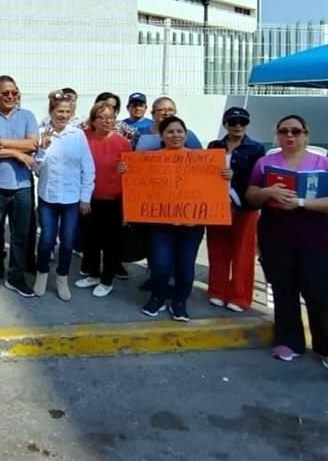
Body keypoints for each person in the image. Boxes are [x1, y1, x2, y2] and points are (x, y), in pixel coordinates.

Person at [126, 116, 229, 322]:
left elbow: (212, 190)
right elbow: (139, 185)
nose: (175, 135)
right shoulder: (149, 160)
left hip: (191, 226)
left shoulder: (202, 160)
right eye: (170, 132)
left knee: (185, 265)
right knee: (161, 264)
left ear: (186, 134)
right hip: (160, 225)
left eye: (179, 131)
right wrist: (126, 171)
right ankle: (157, 297)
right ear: (162, 136)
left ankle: (180, 302)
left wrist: (225, 176)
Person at [246, 115, 328, 367]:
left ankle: (325, 345)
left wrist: (301, 203)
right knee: (284, 291)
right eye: (284, 131)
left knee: (319, 293)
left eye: (296, 131)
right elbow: (250, 197)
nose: (290, 136)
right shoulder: (265, 163)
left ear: (306, 134)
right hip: (276, 237)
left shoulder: (322, 163)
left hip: (316, 239)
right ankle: (289, 341)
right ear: (277, 135)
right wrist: (267, 192)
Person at [0, 75, 38, 300]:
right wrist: (15, 152)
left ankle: (16, 277)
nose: (11, 96)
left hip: (22, 186)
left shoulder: (27, 116)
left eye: (14, 92)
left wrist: (0, 142)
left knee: (20, 236)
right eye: (5, 93)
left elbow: (33, 143)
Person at [33, 92, 95, 301]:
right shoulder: (41, 132)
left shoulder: (77, 135)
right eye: (60, 111)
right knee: (47, 239)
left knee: (67, 241)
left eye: (68, 112)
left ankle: (62, 278)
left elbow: (88, 167)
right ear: (51, 111)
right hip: (47, 196)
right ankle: (41, 274)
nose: (64, 115)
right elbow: (35, 168)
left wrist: (85, 197)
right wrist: (43, 149)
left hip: (71, 198)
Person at [205, 107, 266, 312]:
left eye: (242, 122)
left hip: (244, 207)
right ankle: (217, 291)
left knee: (243, 252)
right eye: (233, 122)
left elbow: (259, 178)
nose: (238, 125)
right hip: (217, 206)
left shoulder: (256, 148)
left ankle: (240, 296)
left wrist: (235, 176)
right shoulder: (214, 146)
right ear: (226, 125)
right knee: (217, 249)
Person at [74, 101, 131, 297]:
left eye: (111, 117)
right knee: (89, 240)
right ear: (93, 120)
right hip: (87, 199)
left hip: (113, 200)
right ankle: (93, 275)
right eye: (103, 117)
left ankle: (107, 280)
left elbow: (131, 175)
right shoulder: (83, 138)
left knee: (110, 243)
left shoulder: (123, 143)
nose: (108, 121)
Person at [134, 97, 202, 151]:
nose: (166, 113)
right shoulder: (139, 134)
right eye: (161, 110)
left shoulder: (188, 134)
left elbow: (200, 158)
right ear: (153, 113)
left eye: (170, 110)